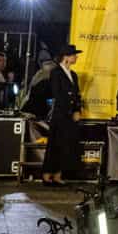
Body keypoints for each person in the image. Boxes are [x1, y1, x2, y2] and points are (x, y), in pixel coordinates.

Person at [41, 44, 86, 185]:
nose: (76, 57)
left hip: (70, 115)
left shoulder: (73, 75)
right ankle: (47, 174)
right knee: (55, 144)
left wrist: (77, 109)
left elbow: (77, 94)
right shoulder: (56, 73)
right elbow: (58, 94)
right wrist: (70, 111)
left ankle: (58, 175)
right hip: (61, 114)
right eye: (74, 55)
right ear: (66, 57)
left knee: (65, 145)